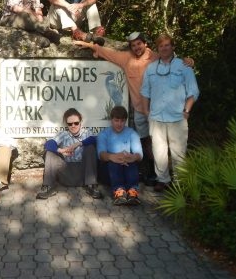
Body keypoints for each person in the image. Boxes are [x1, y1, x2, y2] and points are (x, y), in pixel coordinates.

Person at [74, 32, 195, 186]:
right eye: (133, 45)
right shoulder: (126, 58)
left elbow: (173, 60)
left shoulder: (155, 57)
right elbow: (108, 53)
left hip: (159, 111)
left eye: (139, 43)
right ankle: (153, 174)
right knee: (147, 142)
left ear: (145, 44)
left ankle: (176, 180)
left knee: (168, 144)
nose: (137, 47)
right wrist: (89, 45)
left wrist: (189, 61)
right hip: (140, 110)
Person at [140, 33, 200, 192]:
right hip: (156, 117)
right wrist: (146, 112)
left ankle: (180, 184)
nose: (164, 48)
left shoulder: (184, 66)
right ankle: (163, 180)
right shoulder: (151, 68)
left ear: (172, 47)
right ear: (157, 49)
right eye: (161, 46)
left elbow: (193, 91)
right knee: (158, 152)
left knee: (178, 153)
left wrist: (187, 110)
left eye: (167, 45)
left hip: (177, 118)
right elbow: (145, 91)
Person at [36, 108, 102, 200]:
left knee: (90, 148)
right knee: (50, 152)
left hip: (83, 174)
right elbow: (48, 144)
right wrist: (61, 150)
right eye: (70, 124)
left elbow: (94, 139)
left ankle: (92, 186)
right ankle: (48, 187)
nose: (73, 126)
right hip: (66, 173)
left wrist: (79, 143)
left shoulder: (87, 133)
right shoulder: (63, 134)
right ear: (66, 124)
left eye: (76, 123)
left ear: (80, 121)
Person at [97, 106, 143, 205]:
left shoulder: (132, 133)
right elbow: (101, 155)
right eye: (116, 120)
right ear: (111, 120)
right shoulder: (103, 134)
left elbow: (139, 155)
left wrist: (132, 157)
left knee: (132, 163)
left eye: (122, 121)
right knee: (113, 163)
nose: (119, 124)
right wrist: (113, 157)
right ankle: (119, 193)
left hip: (127, 169)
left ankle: (132, 193)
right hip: (109, 172)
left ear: (125, 121)